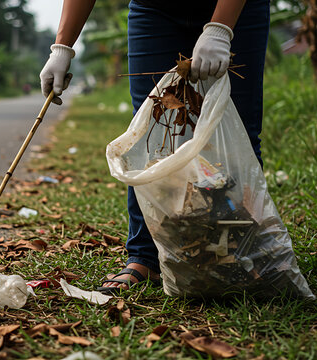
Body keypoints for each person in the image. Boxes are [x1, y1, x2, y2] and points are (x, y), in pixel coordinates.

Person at [40, 0, 269, 293]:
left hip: (237, 9)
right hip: (154, 9)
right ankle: (145, 256)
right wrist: (62, 48)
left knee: (240, 127)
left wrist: (220, 28)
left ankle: (241, 255)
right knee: (153, 133)